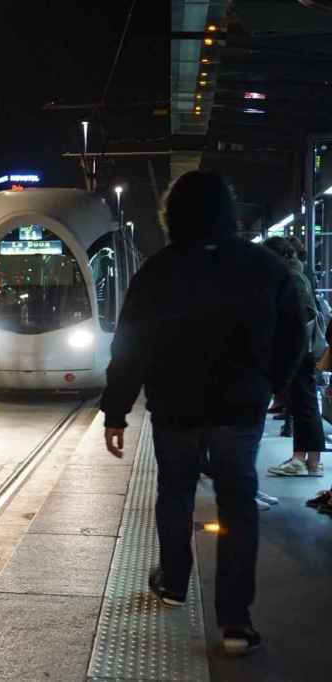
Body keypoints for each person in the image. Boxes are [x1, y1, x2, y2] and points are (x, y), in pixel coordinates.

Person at [100, 170, 307, 657]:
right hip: (240, 410)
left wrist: (116, 411)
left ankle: (173, 583)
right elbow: (294, 336)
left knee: (175, 494)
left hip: (176, 409)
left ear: (172, 215)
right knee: (238, 506)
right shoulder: (266, 268)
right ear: (228, 212)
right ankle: (235, 623)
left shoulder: (157, 271)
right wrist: (267, 385)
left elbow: (129, 346)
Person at [264, 237, 326, 478]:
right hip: (301, 349)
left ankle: (302, 460)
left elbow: (303, 316)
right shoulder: (294, 274)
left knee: (304, 404)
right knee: (305, 404)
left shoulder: (292, 277)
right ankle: (310, 461)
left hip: (299, 351)